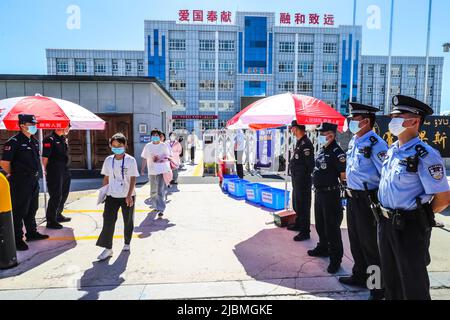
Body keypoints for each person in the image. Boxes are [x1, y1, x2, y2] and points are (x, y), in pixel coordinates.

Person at [377, 95, 450, 300]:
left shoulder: (425, 155)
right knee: (390, 279)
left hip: (408, 226)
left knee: (412, 282)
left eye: (399, 116)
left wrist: (419, 215)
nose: (393, 120)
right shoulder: (392, 151)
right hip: (385, 223)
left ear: (415, 121)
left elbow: (443, 198)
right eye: (393, 115)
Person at [339, 103, 387, 300]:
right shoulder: (355, 140)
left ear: (366, 121)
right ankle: (359, 276)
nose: (351, 122)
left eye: (355, 119)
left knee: (370, 246)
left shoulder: (377, 144)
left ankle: (376, 288)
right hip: (353, 199)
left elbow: (386, 175)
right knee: (356, 241)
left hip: (368, 201)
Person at [0, 114, 49, 251]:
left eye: (35, 124)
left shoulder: (33, 141)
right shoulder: (13, 142)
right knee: (19, 211)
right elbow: (4, 163)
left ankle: (32, 233)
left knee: (32, 208)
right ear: (22, 125)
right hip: (20, 182)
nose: (34, 127)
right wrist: (13, 174)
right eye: (31, 124)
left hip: (33, 180)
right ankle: (17, 239)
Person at [308, 122, 346, 274]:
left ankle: (336, 259)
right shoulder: (323, 150)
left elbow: (343, 177)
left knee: (332, 229)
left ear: (330, 135)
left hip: (331, 195)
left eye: (322, 134)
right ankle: (323, 247)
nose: (320, 136)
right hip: (319, 193)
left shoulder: (338, 153)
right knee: (320, 224)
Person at [96, 133, 139, 261]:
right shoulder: (109, 160)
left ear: (125, 145)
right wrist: (103, 193)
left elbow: (132, 179)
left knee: (128, 220)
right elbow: (106, 177)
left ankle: (127, 242)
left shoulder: (131, 160)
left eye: (119, 145)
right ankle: (107, 248)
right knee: (108, 221)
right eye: (114, 145)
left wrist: (129, 195)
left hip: (127, 195)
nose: (116, 147)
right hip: (112, 195)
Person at [287, 121, 315, 242]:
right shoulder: (300, 142)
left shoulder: (306, 144)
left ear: (297, 129)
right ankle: (298, 223)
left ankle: (305, 231)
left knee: (303, 205)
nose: (291, 130)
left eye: (292, 128)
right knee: (297, 203)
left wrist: (303, 177)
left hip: (303, 181)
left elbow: (310, 165)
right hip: (297, 180)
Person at [42, 124, 72, 230]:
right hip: (54, 170)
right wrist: (43, 169)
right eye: (67, 127)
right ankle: (51, 220)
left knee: (64, 193)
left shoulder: (63, 139)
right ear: (60, 126)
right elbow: (45, 157)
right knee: (56, 195)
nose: (68, 129)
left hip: (64, 169)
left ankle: (58, 214)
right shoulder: (49, 139)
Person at [141, 129, 172, 218]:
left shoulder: (163, 145)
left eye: (156, 135)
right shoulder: (148, 146)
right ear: (151, 137)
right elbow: (144, 158)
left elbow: (168, 156)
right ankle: (155, 206)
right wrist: (142, 169)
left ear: (159, 136)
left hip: (161, 170)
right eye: (153, 135)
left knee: (160, 190)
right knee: (153, 190)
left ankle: (161, 209)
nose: (155, 137)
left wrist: (159, 159)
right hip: (151, 171)